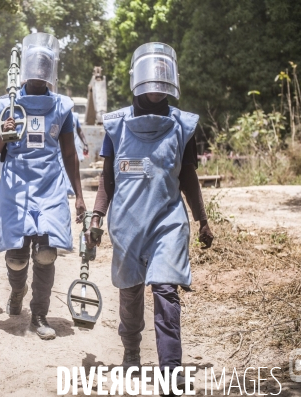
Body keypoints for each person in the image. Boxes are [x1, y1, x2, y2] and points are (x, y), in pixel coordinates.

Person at [86, 42, 213, 391]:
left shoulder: (182, 126)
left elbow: (187, 176)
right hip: (127, 223)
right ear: (137, 82)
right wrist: (96, 218)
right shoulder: (117, 126)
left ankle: (171, 371)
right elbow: (107, 179)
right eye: (150, 82)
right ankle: (130, 351)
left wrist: (201, 218)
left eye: (162, 82)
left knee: (167, 291)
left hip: (168, 221)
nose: (156, 90)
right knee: (130, 294)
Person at [0, 32, 86, 340]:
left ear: (52, 67)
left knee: (45, 254)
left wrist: (79, 195)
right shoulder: (6, 105)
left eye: (46, 63)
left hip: (50, 186)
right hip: (15, 188)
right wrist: (4, 135)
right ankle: (17, 292)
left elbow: (69, 153)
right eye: (35, 62)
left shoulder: (61, 107)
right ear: (26, 66)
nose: (40, 69)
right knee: (17, 257)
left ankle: (39, 314)